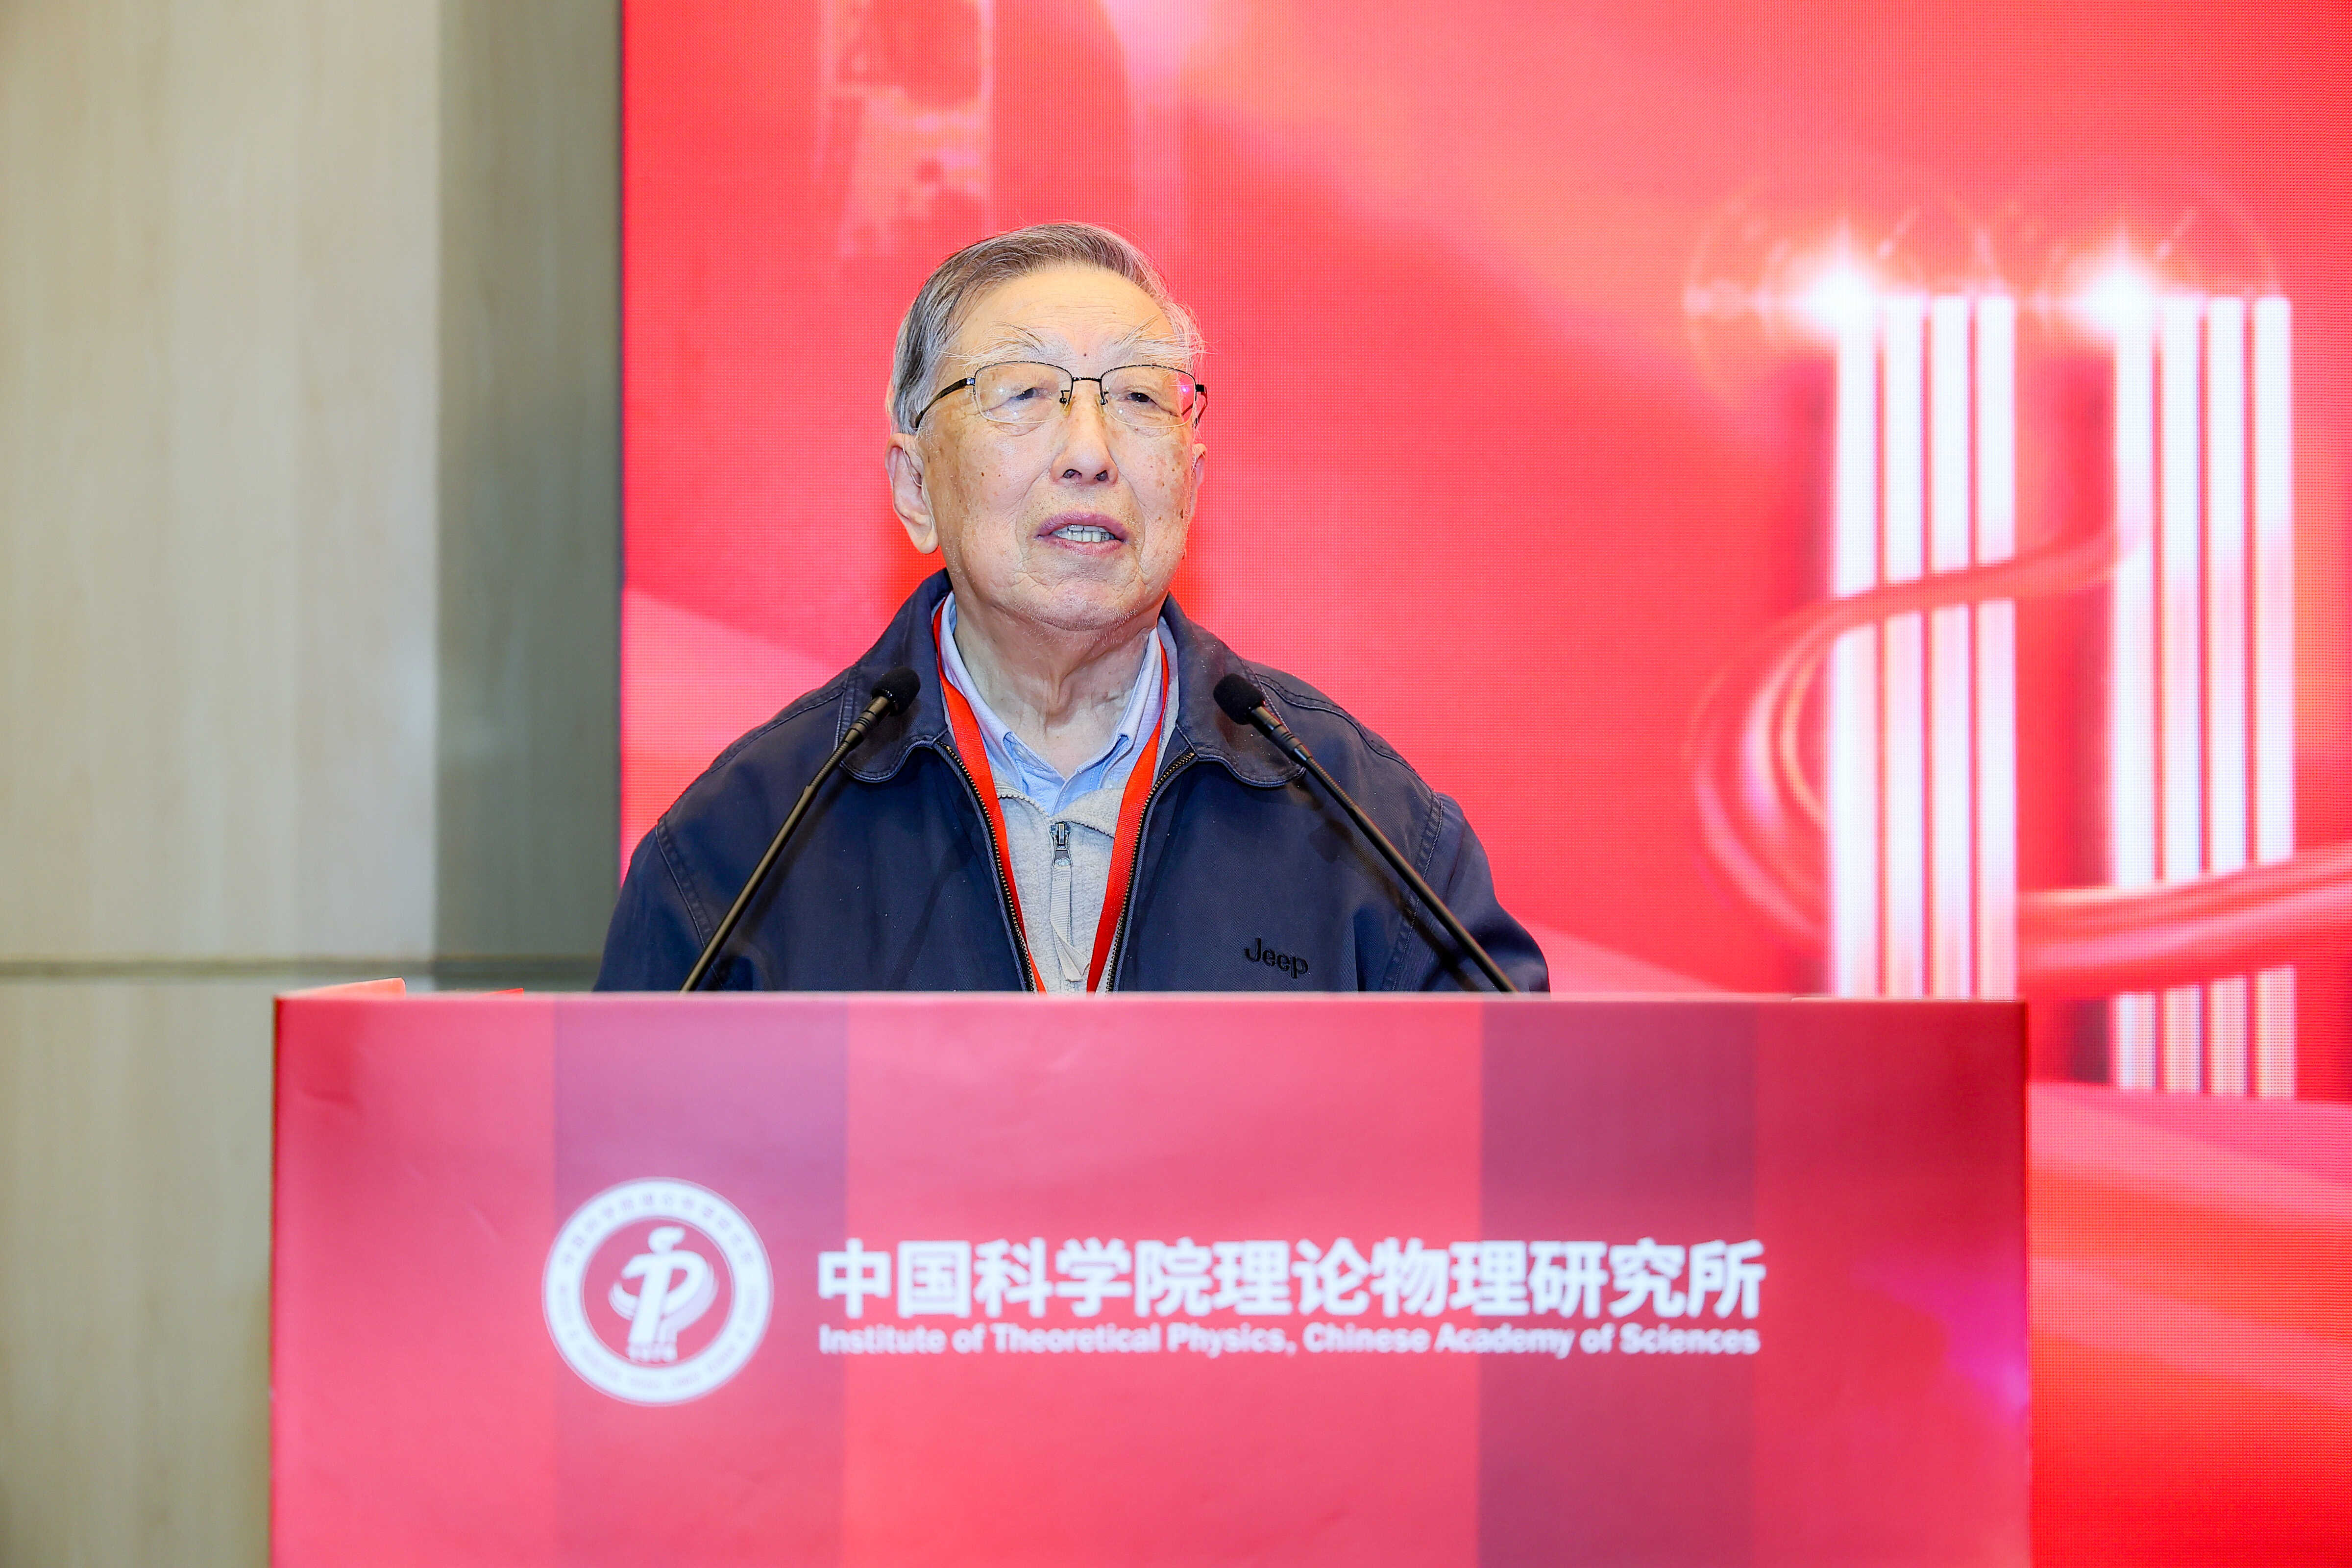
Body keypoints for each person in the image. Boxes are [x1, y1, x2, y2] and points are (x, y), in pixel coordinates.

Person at [596, 223, 1547, 993]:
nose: (1090, 451)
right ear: (916, 487)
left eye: (1139, 398)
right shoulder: (739, 848)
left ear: (1190, 483)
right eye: (1023, 392)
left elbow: (1527, 1139)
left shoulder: (1373, 828)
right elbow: (630, 1161)